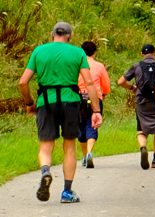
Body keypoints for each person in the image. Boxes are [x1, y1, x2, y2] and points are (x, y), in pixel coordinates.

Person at [16, 22, 96, 203]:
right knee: (69, 146)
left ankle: (45, 172)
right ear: (70, 35)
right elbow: (89, 83)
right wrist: (96, 109)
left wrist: (29, 102)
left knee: (46, 145)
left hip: (46, 102)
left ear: (52, 34)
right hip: (71, 102)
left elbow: (23, 82)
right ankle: (67, 192)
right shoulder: (78, 52)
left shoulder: (39, 51)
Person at [119, 44, 155, 170]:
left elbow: (120, 81)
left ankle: (143, 147)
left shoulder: (136, 66)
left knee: (141, 130)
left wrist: (132, 88)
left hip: (142, 102)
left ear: (142, 54)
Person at [78, 41, 113, 169]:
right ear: (95, 52)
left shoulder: (76, 65)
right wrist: (103, 95)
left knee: (80, 128)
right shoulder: (99, 66)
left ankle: (84, 156)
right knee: (92, 125)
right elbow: (106, 85)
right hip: (95, 99)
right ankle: (89, 152)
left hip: (79, 98)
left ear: (81, 51)